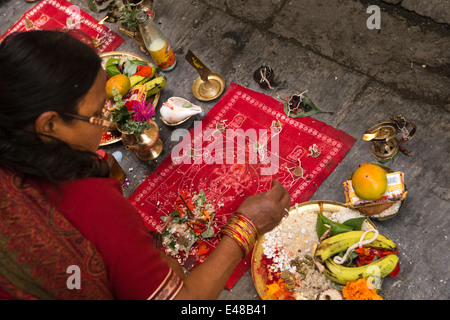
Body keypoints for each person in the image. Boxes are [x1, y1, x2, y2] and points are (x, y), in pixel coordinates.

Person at [0, 30, 290, 300]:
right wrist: (246, 227)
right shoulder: (91, 206)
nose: (108, 121)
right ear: (49, 125)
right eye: (96, 113)